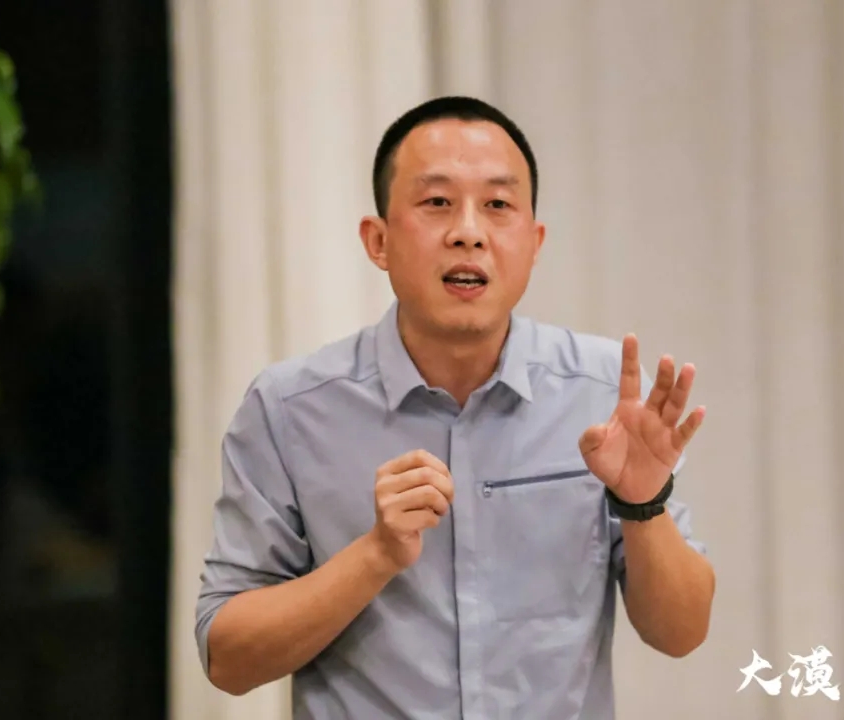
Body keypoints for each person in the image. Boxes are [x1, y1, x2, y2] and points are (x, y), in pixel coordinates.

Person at [195, 95, 715, 719]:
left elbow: (682, 633)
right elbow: (228, 660)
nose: (468, 231)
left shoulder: (602, 393)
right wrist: (374, 555)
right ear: (379, 241)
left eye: (498, 205)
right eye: (437, 201)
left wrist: (644, 505)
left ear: (534, 242)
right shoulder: (289, 409)